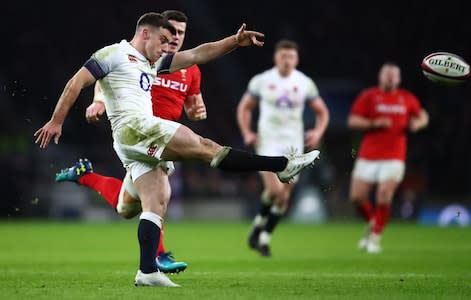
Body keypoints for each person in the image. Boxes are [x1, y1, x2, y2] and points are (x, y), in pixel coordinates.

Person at [34, 13, 320, 287]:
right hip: (137, 127)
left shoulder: (151, 62)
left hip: (133, 142)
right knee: (206, 147)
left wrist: (234, 41)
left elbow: (197, 54)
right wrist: (57, 121)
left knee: (149, 202)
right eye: (162, 41)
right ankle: (281, 165)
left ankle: (147, 271)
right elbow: (77, 82)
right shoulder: (114, 54)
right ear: (146, 33)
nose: (164, 49)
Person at [55, 10, 204, 274]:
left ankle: (85, 175)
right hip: (139, 137)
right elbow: (106, 77)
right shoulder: (141, 56)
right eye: (173, 33)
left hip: (165, 136)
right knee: (159, 193)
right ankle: (158, 256)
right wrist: (98, 101)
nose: (177, 38)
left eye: (182, 33)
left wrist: (196, 109)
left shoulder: (189, 70)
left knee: (126, 206)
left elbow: (193, 102)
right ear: (160, 32)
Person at [237, 40, 329, 257]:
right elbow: (245, 107)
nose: (287, 61)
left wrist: (318, 132)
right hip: (267, 141)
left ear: (296, 59)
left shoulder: (305, 83)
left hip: (293, 145)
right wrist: (247, 132)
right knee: (275, 190)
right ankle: (258, 233)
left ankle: (262, 236)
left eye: (291, 57)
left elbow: (322, 112)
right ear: (275, 58)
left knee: (283, 198)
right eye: (283, 56)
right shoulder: (262, 80)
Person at [347, 62, 429, 253]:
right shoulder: (369, 96)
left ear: (399, 79)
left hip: (394, 156)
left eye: (394, 75)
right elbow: (353, 121)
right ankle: (372, 223)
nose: (390, 77)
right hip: (368, 154)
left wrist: (418, 124)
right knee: (356, 198)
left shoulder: (406, 98)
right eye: (387, 74)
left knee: (384, 194)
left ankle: (375, 237)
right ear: (380, 76)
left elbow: (422, 115)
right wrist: (374, 123)